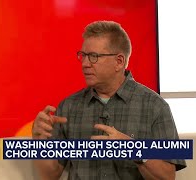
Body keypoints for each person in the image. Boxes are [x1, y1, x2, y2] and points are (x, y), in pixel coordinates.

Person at [32, 20, 186, 180]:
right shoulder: (69, 107)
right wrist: (38, 142)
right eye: (83, 55)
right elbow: (50, 175)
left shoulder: (155, 106)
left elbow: (167, 176)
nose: (85, 64)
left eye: (94, 56)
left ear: (119, 62)